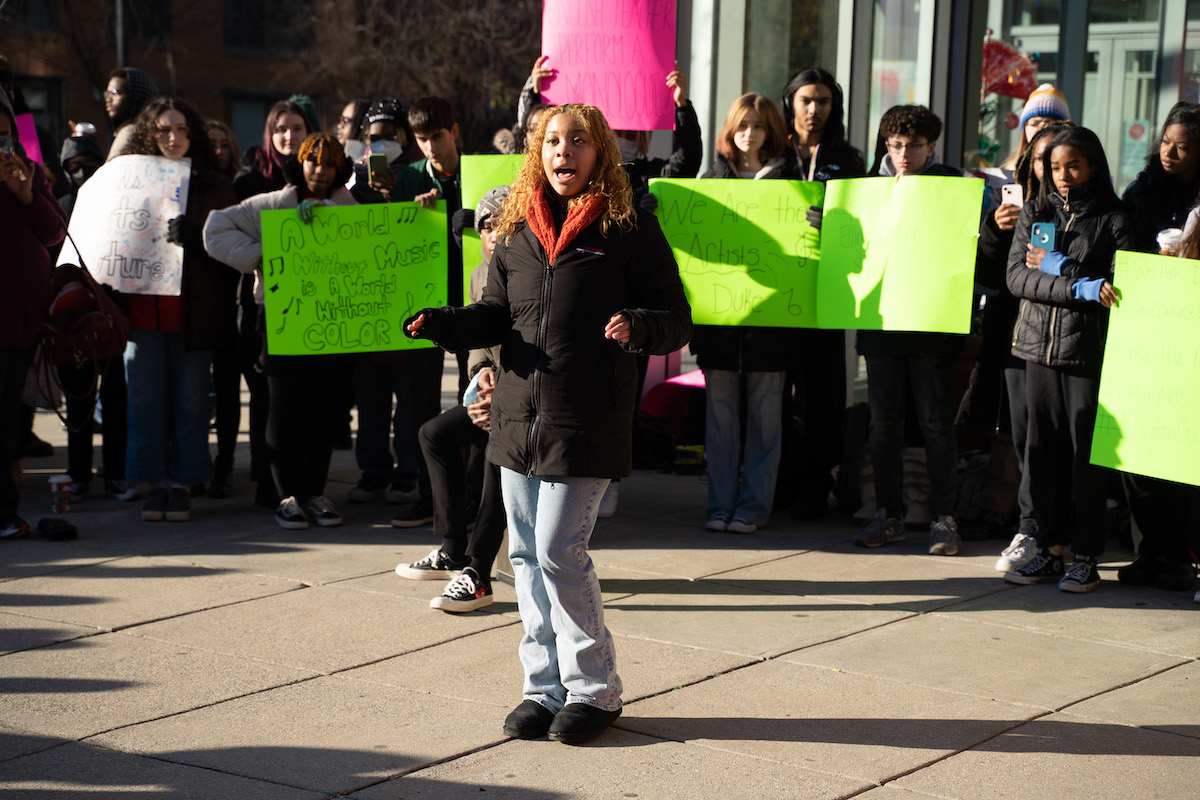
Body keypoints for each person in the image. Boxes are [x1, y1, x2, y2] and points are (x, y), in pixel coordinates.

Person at [404, 103, 692, 743]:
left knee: (561, 553)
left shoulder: (630, 229)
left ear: (602, 155)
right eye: (553, 141)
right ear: (537, 152)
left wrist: (640, 327)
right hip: (515, 424)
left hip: (586, 423)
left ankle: (596, 691)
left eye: (579, 141)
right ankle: (544, 688)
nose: (565, 152)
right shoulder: (514, 231)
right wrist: (446, 324)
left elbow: (677, 317)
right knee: (527, 559)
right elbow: (492, 315)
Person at [1002, 126, 1133, 592]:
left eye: (1073, 166)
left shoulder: (1115, 218)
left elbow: (1115, 287)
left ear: (1094, 165)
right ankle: (1049, 550)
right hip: (1036, 348)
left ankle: (1086, 556)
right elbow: (1018, 278)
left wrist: (1061, 267)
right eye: (1055, 167)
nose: (1062, 176)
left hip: (1085, 353)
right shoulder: (1036, 212)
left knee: (1084, 459)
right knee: (1044, 454)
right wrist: (1079, 283)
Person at [203, 134, 356, 529]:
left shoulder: (349, 207)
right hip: (282, 320)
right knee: (283, 410)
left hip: (330, 322)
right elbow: (215, 228)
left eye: (329, 164)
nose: (320, 171)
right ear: (299, 165)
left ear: (340, 169)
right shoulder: (274, 203)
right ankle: (285, 495)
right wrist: (265, 254)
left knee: (323, 411)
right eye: (313, 162)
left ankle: (316, 494)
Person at [394, 187, 512, 613]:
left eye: (504, 223)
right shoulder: (479, 274)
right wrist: (481, 378)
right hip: (493, 390)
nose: (495, 232)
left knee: (497, 450)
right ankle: (452, 549)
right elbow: (478, 343)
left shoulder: (532, 271)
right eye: (487, 225)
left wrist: (500, 395)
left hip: (524, 398)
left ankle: (479, 572)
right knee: (434, 434)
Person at [854, 105, 965, 555]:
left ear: (931, 147)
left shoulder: (951, 187)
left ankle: (944, 517)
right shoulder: (863, 190)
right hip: (880, 320)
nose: (904, 154)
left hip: (931, 321)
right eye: (896, 145)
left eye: (914, 146)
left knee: (936, 422)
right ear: (886, 144)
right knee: (884, 424)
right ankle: (888, 513)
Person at [121, 97, 237, 522]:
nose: (172, 137)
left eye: (181, 129)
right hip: (143, 313)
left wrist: (199, 237)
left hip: (193, 313)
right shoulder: (129, 182)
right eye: (164, 129)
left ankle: (184, 483)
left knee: (190, 402)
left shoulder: (214, 185)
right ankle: (155, 484)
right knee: (146, 401)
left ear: (194, 135)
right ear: (150, 134)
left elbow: (232, 255)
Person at [690, 93, 794, 533]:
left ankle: (752, 507)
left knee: (766, 423)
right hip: (719, 328)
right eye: (741, 125)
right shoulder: (710, 181)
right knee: (720, 424)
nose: (749, 134)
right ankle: (720, 505)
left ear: (772, 132)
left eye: (759, 126)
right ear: (730, 131)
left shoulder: (791, 183)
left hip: (772, 326)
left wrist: (818, 222)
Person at [980, 122, 1073, 573]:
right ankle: (1031, 529)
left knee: (1059, 437)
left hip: (1069, 340)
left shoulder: (1086, 211)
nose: (1049, 169)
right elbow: (987, 272)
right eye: (1040, 160)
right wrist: (997, 233)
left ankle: (1057, 533)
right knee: (1024, 435)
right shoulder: (1016, 205)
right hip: (1017, 335)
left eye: (1057, 160)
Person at [1115, 103, 1200, 592]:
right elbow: (1117, 249)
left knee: (1182, 452)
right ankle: (1149, 550)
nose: (1170, 152)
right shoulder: (1140, 190)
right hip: (1145, 333)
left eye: (1183, 146)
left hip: (1188, 339)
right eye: (1166, 142)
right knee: (1140, 451)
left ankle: (1180, 556)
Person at [780, 67, 866, 519]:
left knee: (825, 392)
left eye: (824, 102)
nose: (814, 110)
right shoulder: (773, 152)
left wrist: (837, 228)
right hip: (776, 290)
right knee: (775, 392)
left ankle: (818, 483)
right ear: (790, 103)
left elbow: (868, 222)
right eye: (806, 100)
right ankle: (778, 484)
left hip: (827, 291)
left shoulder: (849, 160)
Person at [232, 100, 315, 508]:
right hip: (263, 306)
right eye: (280, 128)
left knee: (302, 402)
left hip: (312, 307)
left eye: (297, 128)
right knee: (265, 397)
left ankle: (302, 484)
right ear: (270, 133)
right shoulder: (249, 180)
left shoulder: (323, 175)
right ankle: (269, 485)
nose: (289, 136)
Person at [56, 132, 137, 505]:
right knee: (79, 402)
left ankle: (114, 474)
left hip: (111, 318)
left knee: (115, 401)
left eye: (87, 165)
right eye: (73, 168)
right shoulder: (57, 209)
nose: (81, 173)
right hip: (72, 322)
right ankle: (79, 473)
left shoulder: (115, 207)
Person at [0, 89, 67, 537]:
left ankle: (5, 512)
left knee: (8, 422)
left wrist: (26, 194)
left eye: (5, 137)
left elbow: (55, 231)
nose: (1, 148)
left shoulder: (28, 171)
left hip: (21, 319)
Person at [203, 119, 245, 499]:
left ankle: (226, 464)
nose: (217, 150)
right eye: (210, 143)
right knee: (202, 391)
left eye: (223, 143)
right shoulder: (191, 187)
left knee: (229, 392)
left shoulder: (241, 188)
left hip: (238, 307)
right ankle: (201, 462)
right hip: (204, 307)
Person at [1000, 84, 1071, 171]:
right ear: (1024, 128)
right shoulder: (1010, 170)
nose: (1041, 129)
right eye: (1034, 124)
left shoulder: (1068, 173)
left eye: (1049, 123)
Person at [104, 66, 159, 161]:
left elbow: (110, 174)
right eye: (107, 93)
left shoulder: (130, 132)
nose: (108, 99)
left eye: (115, 92)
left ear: (135, 97)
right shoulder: (146, 131)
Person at [335, 97, 371, 162]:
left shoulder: (367, 162)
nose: (340, 126)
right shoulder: (337, 158)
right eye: (341, 120)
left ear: (361, 123)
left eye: (346, 120)